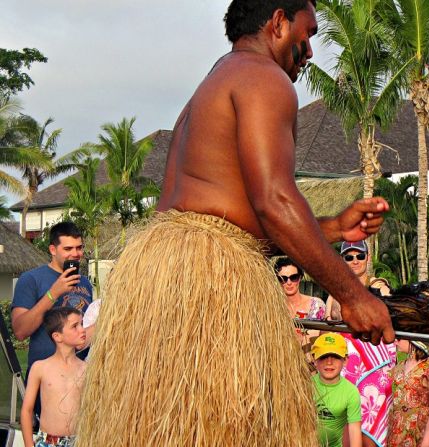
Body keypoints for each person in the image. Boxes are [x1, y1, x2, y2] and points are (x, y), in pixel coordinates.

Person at [76, 1, 395, 445]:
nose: (309, 51)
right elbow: (275, 200)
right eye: (308, 34)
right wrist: (351, 293)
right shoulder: (265, 79)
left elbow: (232, 215)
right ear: (278, 22)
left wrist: (334, 228)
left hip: (162, 280)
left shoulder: (215, 81)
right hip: (210, 286)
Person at [327, 241, 395, 447]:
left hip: (376, 367)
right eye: (349, 257)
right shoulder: (335, 290)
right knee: (346, 429)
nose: (355, 261)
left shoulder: (379, 286)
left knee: (372, 431)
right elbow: (333, 314)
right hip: (348, 367)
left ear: (367, 257)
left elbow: (386, 309)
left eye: (359, 256)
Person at [11, 222, 92, 374]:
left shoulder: (85, 283)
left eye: (79, 247)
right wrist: (53, 293)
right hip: (45, 379)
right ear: (53, 249)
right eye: (68, 248)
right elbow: (20, 331)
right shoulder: (31, 279)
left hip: (80, 375)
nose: (75, 254)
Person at [21, 308, 87, 447]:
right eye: (75, 326)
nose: (82, 329)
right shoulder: (40, 368)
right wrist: (28, 444)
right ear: (57, 336)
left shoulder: (86, 369)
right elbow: (27, 410)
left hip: (80, 441)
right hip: (47, 442)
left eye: (82, 324)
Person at [389, 340, 429, 447]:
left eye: (399, 339)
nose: (395, 341)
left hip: (420, 433)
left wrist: (426, 441)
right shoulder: (399, 367)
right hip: (398, 433)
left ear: (414, 341)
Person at [311, 333, 363, 447]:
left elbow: (355, 432)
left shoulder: (351, 392)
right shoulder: (305, 386)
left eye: (335, 356)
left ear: (345, 360)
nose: (329, 362)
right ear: (314, 360)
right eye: (323, 356)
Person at [276, 257, 326, 368]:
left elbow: (325, 338)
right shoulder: (273, 308)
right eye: (283, 278)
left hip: (312, 371)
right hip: (281, 368)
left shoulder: (317, 305)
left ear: (300, 278)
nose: (289, 282)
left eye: (293, 277)